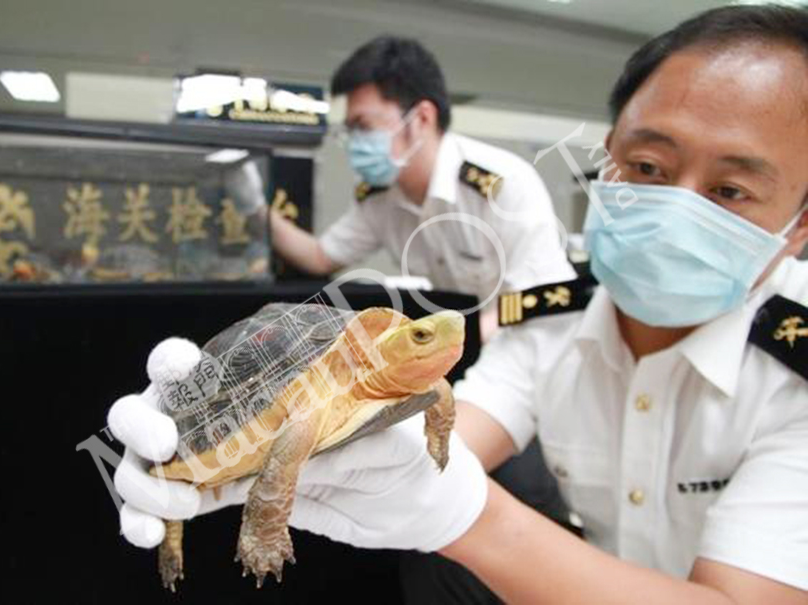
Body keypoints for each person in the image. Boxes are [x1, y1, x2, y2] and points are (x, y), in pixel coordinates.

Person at [108, 5, 808, 603]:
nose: (670, 210)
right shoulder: (551, 319)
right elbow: (455, 410)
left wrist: (468, 515)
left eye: (730, 191)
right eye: (648, 169)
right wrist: (290, 438)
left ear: (799, 223)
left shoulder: (499, 187)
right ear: (608, 157)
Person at [259, 35, 575, 342]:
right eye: (350, 131)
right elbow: (320, 257)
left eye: (364, 127)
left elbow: (546, 296)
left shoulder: (502, 183)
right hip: (455, 348)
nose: (354, 144)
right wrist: (253, 208)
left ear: (422, 117)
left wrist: (456, 344)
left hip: (522, 350)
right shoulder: (382, 199)